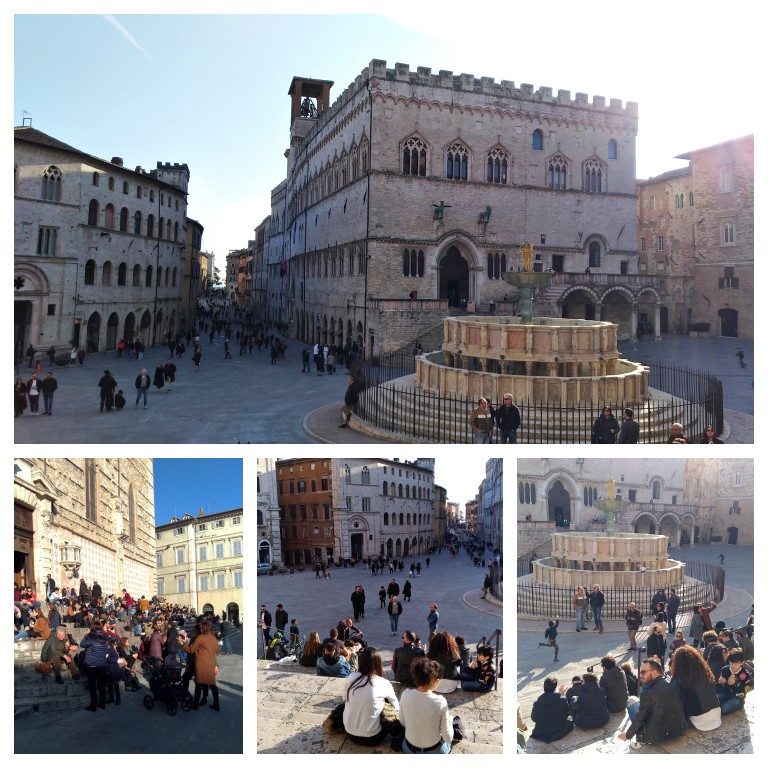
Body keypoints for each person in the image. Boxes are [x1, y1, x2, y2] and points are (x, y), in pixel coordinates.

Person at [326, 647, 400, 746]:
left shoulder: (351, 677)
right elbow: (396, 705)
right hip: (373, 737)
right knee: (386, 703)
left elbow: (345, 699)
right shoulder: (383, 682)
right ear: (378, 663)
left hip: (350, 733)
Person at [618, 657, 687, 747]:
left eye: (643, 672)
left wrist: (627, 735)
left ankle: (639, 741)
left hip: (658, 735)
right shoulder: (672, 681)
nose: (640, 675)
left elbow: (640, 718)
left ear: (654, 672)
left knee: (631, 702)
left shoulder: (647, 693)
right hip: (678, 729)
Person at [399, 657, 456, 753]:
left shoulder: (405, 694)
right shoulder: (440, 701)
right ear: (434, 680)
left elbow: (402, 722)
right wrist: (449, 721)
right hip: (433, 751)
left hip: (409, 748)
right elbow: (448, 737)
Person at [670, 644, 721, 731]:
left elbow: (673, 697)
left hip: (699, 720)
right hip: (716, 714)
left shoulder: (679, 679)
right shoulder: (705, 672)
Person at [181, 620, 221, 710]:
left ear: (203, 628)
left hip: (201, 664)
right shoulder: (213, 638)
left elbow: (191, 650)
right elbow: (217, 651)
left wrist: (182, 644)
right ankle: (217, 705)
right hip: (211, 664)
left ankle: (195, 705)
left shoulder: (200, 637)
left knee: (198, 685)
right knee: (212, 685)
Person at [529, 676, 575, 743]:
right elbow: (566, 715)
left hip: (541, 733)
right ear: (555, 688)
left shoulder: (537, 703)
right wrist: (561, 695)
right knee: (571, 721)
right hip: (558, 731)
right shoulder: (562, 699)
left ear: (544, 687)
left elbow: (534, 718)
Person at [80, 619, 111, 711]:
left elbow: (82, 644)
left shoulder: (90, 637)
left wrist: (86, 636)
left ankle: (93, 706)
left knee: (92, 686)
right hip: (102, 664)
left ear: (92, 627)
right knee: (101, 685)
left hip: (92, 665)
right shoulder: (105, 637)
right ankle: (102, 704)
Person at [716, 648, 751, 715]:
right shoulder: (725, 669)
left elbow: (742, 693)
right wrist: (721, 683)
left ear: (742, 662)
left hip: (737, 698)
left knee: (723, 710)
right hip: (726, 693)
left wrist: (729, 684)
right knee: (714, 701)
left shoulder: (746, 675)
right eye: (731, 662)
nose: (732, 665)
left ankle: (739, 705)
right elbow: (721, 687)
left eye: (736, 663)